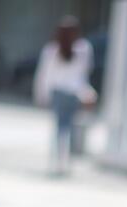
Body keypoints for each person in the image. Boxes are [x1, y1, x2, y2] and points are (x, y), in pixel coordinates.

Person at [33, 16, 97, 175]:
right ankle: (65, 162)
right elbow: (85, 73)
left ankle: (58, 161)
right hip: (74, 93)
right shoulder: (84, 48)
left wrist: (41, 95)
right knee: (69, 127)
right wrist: (86, 92)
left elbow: (44, 75)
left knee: (60, 128)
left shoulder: (51, 49)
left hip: (58, 92)